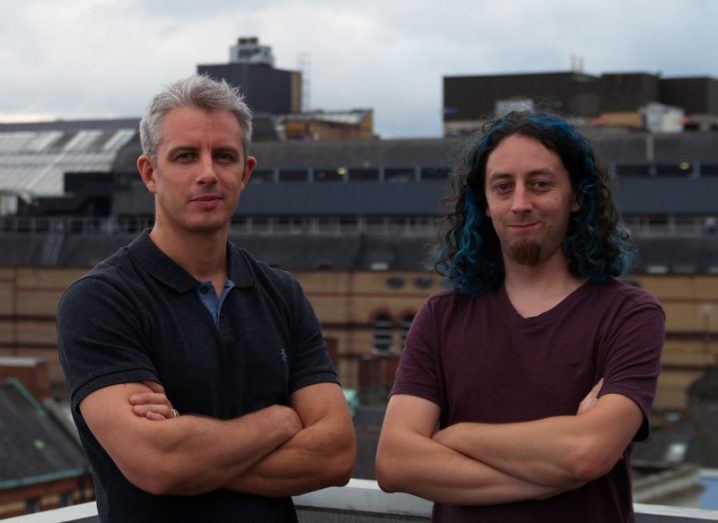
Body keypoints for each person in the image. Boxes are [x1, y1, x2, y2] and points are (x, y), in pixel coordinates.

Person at [57, 75, 355, 523]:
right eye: (185, 156)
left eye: (224, 157)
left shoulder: (282, 293)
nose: (208, 173)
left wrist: (191, 454)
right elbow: (157, 463)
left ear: (245, 172)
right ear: (149, 173)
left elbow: (336, 454)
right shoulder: (101, 301)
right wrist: (279, 421)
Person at [375, 111, 664, 522]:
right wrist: (554, 470)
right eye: (503, 187)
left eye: (540, 184)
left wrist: (456, 436)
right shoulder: (441, 317)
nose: (521, 203)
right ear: (486, 204)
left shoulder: (629, 316)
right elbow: (395, 462)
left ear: (577, 196)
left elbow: (584, 454)